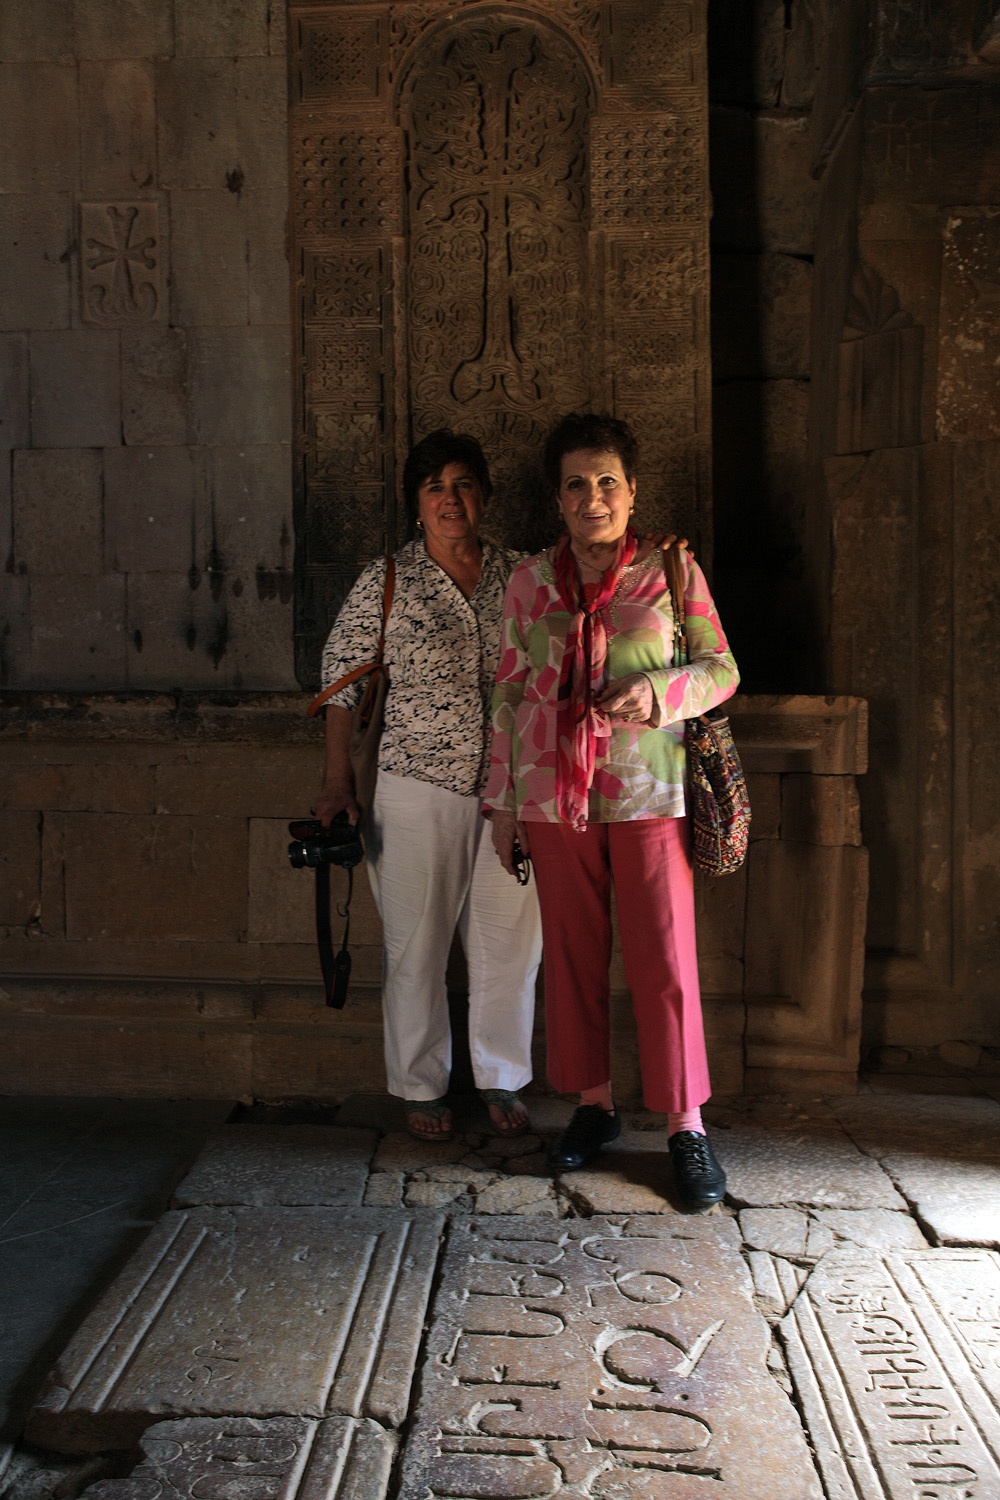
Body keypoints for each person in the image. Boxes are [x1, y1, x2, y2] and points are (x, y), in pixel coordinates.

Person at [486, 412, 740, 1210]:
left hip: (649, 793)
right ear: (556, 498)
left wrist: (661, 692)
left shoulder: (671, 570)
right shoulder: (529, 583)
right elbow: (504, 693)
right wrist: (501, 803)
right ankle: (593, 1107)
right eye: (575, 484)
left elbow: (722, 668)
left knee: (664, 958)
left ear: (631, 492)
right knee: (570, 952)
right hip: (552, 798)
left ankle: (685, 1125)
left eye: (606, 482)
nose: (591, 497)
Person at [315, 430, 543, 1142]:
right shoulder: (388, 580)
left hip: (514, 788)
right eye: (434, 487)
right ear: (417, 504)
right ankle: (420, 1085)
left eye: (463, 484)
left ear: (485, 497)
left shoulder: (526, 575)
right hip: (416, 785)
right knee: (415, 945)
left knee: (511, 941)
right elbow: (342, 682)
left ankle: (501, 1077)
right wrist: (335, 777)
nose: (451, 499)